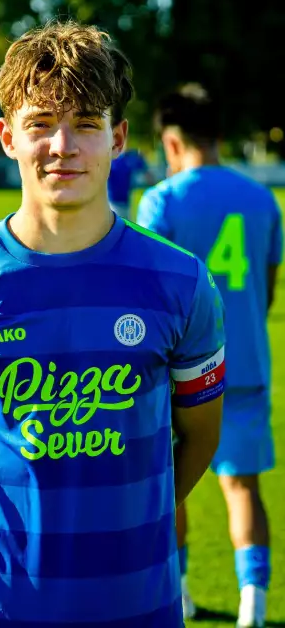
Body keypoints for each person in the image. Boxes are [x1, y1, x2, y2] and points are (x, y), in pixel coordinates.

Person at [0, 22, 225, 628]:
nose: (62, 146)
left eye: (87, 123)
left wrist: (136, 521)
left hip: (136, 604)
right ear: (7, 137)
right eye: (41, 123)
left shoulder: (182, 282)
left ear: (118, 138)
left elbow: (201, 435)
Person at [137, 83, 283, 628]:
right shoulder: (263, 198)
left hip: (179, 372)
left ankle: (179, 594)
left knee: (172, 486)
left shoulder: (162, 200)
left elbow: (150, 295)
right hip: (245, 365)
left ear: (172, 143)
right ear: (220, 136)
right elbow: (267, 291)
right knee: (243, 487)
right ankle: (254, 605)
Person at [108, 143, 155, 218]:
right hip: (113, 203)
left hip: (126, 204)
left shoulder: (130, 158)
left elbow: (146, 173)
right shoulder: (111, 159)